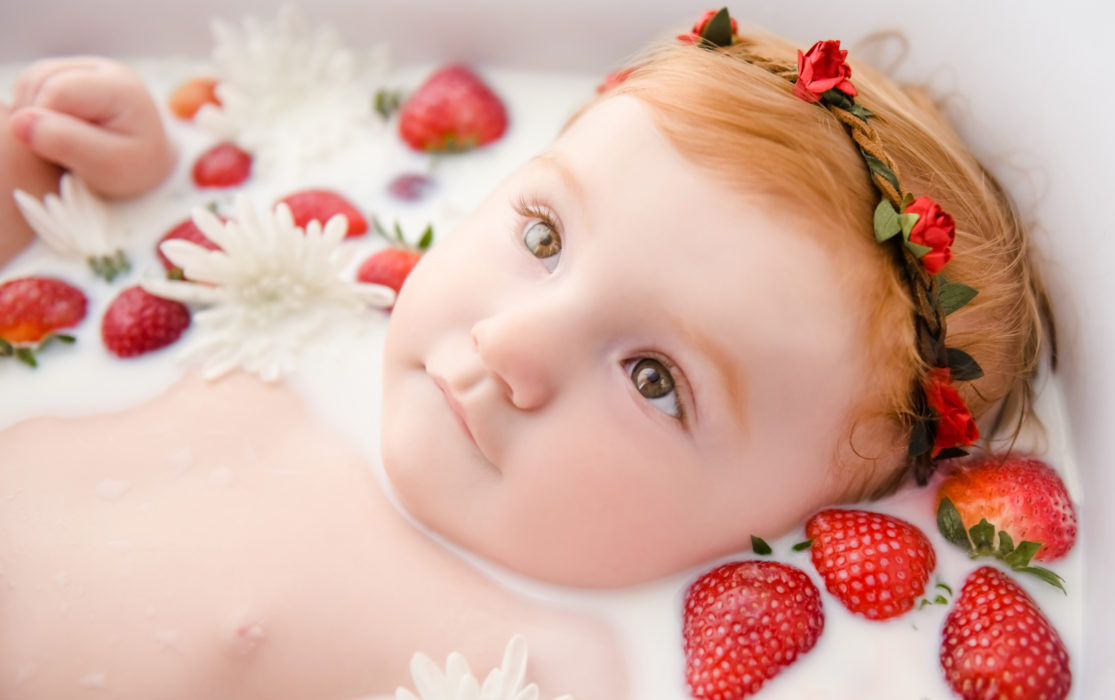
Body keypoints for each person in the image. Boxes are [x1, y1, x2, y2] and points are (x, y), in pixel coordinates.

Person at [0, 9, 1052, 699]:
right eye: (544, 236)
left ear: (795, 527)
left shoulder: (553, 671)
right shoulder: (322, 299)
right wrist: (115, 193)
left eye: (654, 378)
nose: (508, 340)